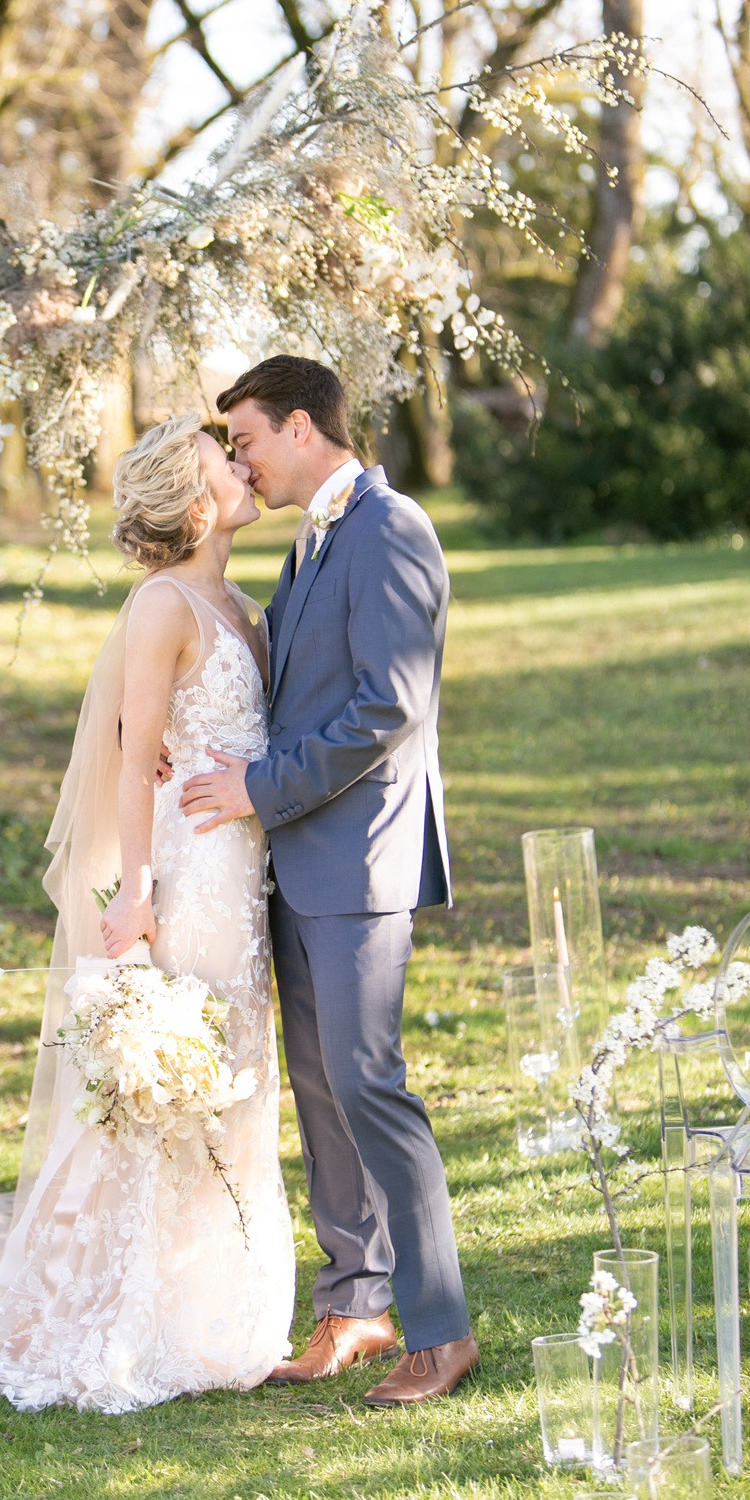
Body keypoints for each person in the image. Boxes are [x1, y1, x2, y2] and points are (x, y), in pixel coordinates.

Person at [0, 412, 296, 1413]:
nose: (245, 467)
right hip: (189, 875)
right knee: (179, 1084)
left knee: (238, 1070)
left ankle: (212, 1294)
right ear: (196, 498)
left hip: (242, 873)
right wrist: (137, 892)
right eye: (226, 460)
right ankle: (131, 1308)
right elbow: (132, 758)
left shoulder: (243, 605)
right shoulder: (165, 605)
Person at [179, 354, 478, 1405]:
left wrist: (259, 788)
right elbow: (297, 691)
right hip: (299, 865)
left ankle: (441, 1333)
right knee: (322, 1092)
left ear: (301, 426)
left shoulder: (390, 530)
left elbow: (384, 711)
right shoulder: (315, 541)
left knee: (371, 1089)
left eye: (249, 440)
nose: (242, 465)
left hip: (358, 860)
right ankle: (356, 1305)